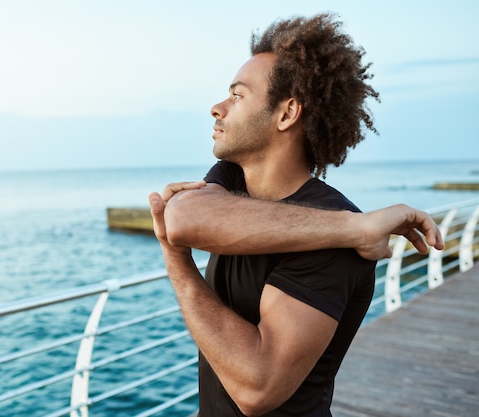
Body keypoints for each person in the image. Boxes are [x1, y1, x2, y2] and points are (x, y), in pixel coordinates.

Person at [148, 13, 444, 417]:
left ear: (286, 114)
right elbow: (180, 221)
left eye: (237, 96)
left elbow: (257, 388)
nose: (217, 109)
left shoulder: (336, 239)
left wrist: (177, 263)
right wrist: (357, 228)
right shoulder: (235, 180)